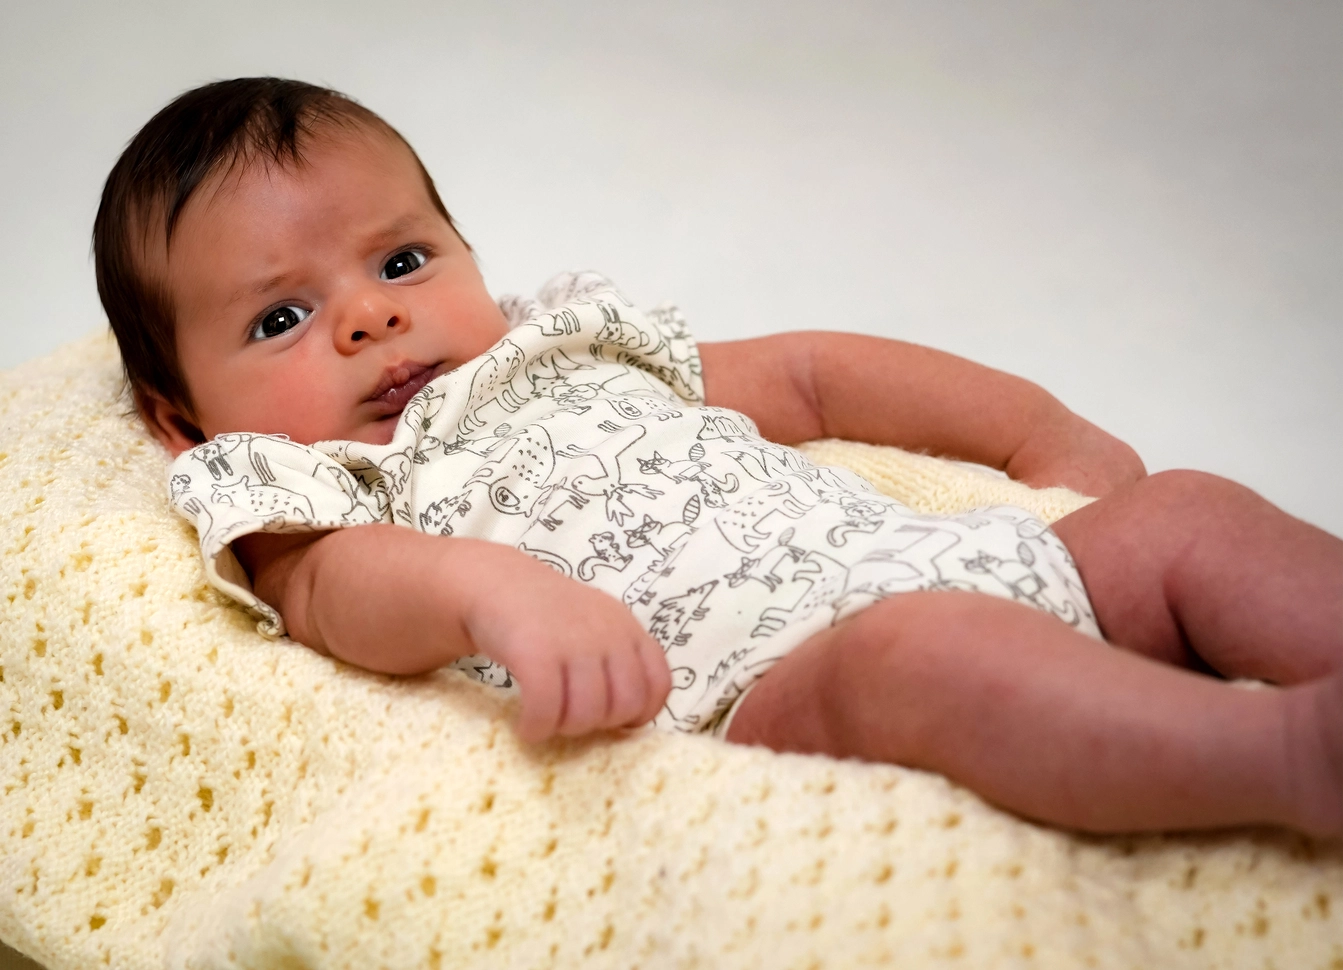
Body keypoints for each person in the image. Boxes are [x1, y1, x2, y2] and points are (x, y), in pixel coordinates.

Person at [94, 77, 1342, 837]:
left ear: (468, 250)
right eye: (280, 317)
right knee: (924, 655)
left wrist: (1033, 429)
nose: (370, 316)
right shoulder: (314, 484)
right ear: (183, 419)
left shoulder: (566, 342)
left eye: (402, 260)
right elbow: (333, 592)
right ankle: (1283, 759)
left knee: (1185, 516)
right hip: (777, 690)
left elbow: (810, 374)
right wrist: (491, 590)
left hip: (940, 554)